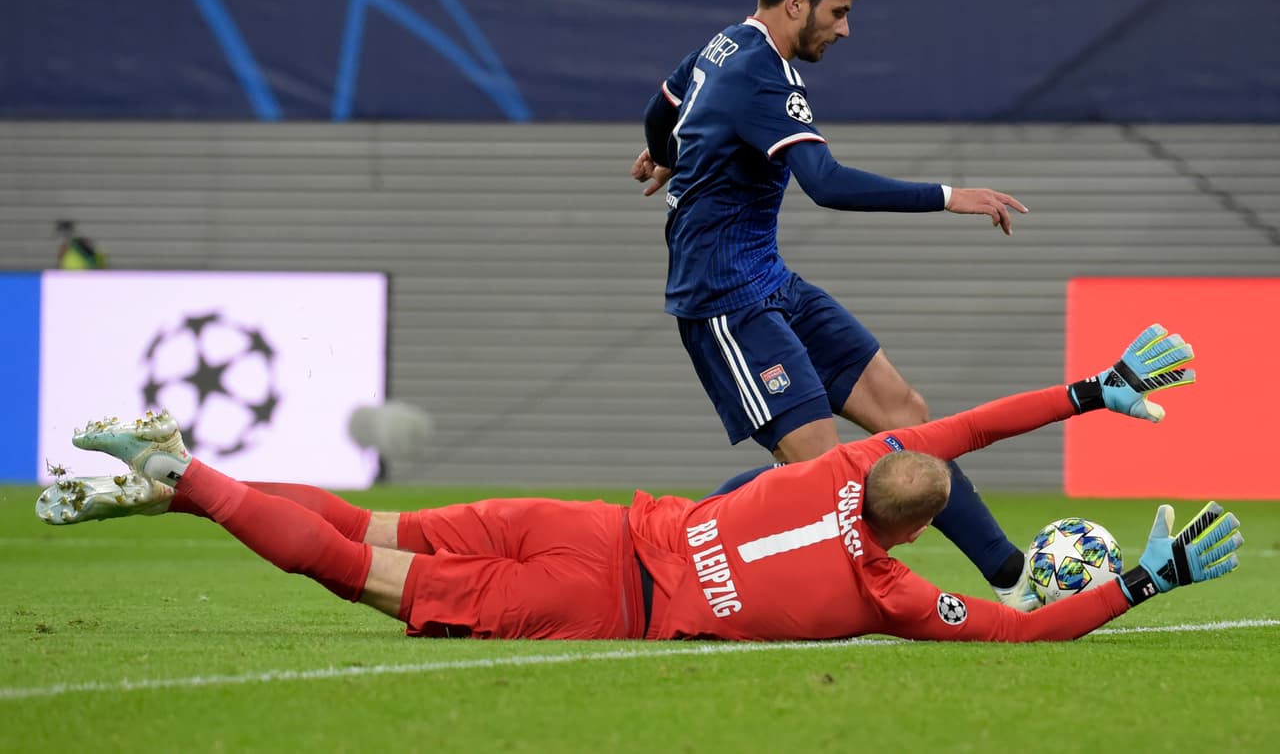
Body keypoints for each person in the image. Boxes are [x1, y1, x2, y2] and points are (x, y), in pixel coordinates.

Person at [37, 324, 1239, 642]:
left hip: (601, 524)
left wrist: (1088, 388)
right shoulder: (893, 596)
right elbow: (1023, 637)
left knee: (369, 518)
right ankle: (189, 481)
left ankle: (190, 469)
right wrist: (1147, 576)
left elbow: (968, 425)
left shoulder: (839, 461)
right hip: (606, 604)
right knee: (365, 574)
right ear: (913, 541)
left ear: (873, 464)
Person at [629, 0, 1035, 606]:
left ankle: (1016, 579)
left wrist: (667, 150)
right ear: (796, 3)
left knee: (907, 414)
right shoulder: (763, 75)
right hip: (725, 302)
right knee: (822, 477)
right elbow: (826, 183)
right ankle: (660, 554)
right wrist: (948, 196)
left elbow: (661, 107)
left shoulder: (723, 43)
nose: (845, 29)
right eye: (838, 11)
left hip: (771, 281)